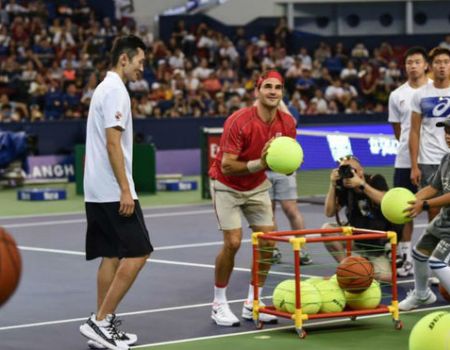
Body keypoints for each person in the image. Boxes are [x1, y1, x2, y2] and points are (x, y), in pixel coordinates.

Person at [79, 35, 153, 350]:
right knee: (139, 252)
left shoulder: (103, 88)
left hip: (96, 189)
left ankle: (102, 323)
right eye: (140, 62)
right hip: (112, 189)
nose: (142, 69)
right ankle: (100, 320)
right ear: (124, 59)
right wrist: (126, 189)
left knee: (111, 254)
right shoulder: (115, 91)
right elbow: (113, 143)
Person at [208, 70, 297, 326]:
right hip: (226, 185)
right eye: (268, 86)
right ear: (257, 90)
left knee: (268, 242)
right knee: (233, 243)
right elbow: (226, 166)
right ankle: (218, 304)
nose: (273, 91)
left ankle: (253, 303)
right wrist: (262, 163)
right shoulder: (239, 121)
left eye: (278, 88)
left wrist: (286, 164)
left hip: (257, 186)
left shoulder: (287, 124)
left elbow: (287, 166)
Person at [322, 156, 403, 282]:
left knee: (385, 278)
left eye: (351, 170)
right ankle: (347, 270)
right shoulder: (344, 187)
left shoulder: (375, 179)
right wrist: (332, 185)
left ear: (360, 171)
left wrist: (361, 184)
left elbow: (385, 201)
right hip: (357, 239)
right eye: (342, 170)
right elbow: (329, 212)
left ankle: (364, 267)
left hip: (378, 245)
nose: (347, 173)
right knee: (327, 230)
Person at [399, 117, 450, 310]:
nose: (448, 136)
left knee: (437, 262)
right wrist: (409, 201)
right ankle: (422, 295)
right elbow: (434, 187)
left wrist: (425, 205)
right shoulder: (446, 159)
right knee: (419, 254)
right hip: (444, 220)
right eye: (446, 131)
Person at [388, 47, 430, 277]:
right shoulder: (397, 95)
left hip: (433, 159)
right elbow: (398, 130)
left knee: (435, 209)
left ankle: (434, 257)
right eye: (409, 62)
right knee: (404, 209)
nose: (413, 66)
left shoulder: (436, 91)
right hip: (404, 159)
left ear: (426, 65)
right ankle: (405, 259)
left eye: (417, 62)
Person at [409, 47, 450, 221]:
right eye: (438, 62)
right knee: (432, 208)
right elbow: (414, 131)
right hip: (429, 160)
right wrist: (414, 165)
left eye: (446, 62)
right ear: (430, 67)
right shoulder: (420, 95)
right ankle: (436, 244)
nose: (442, 66)